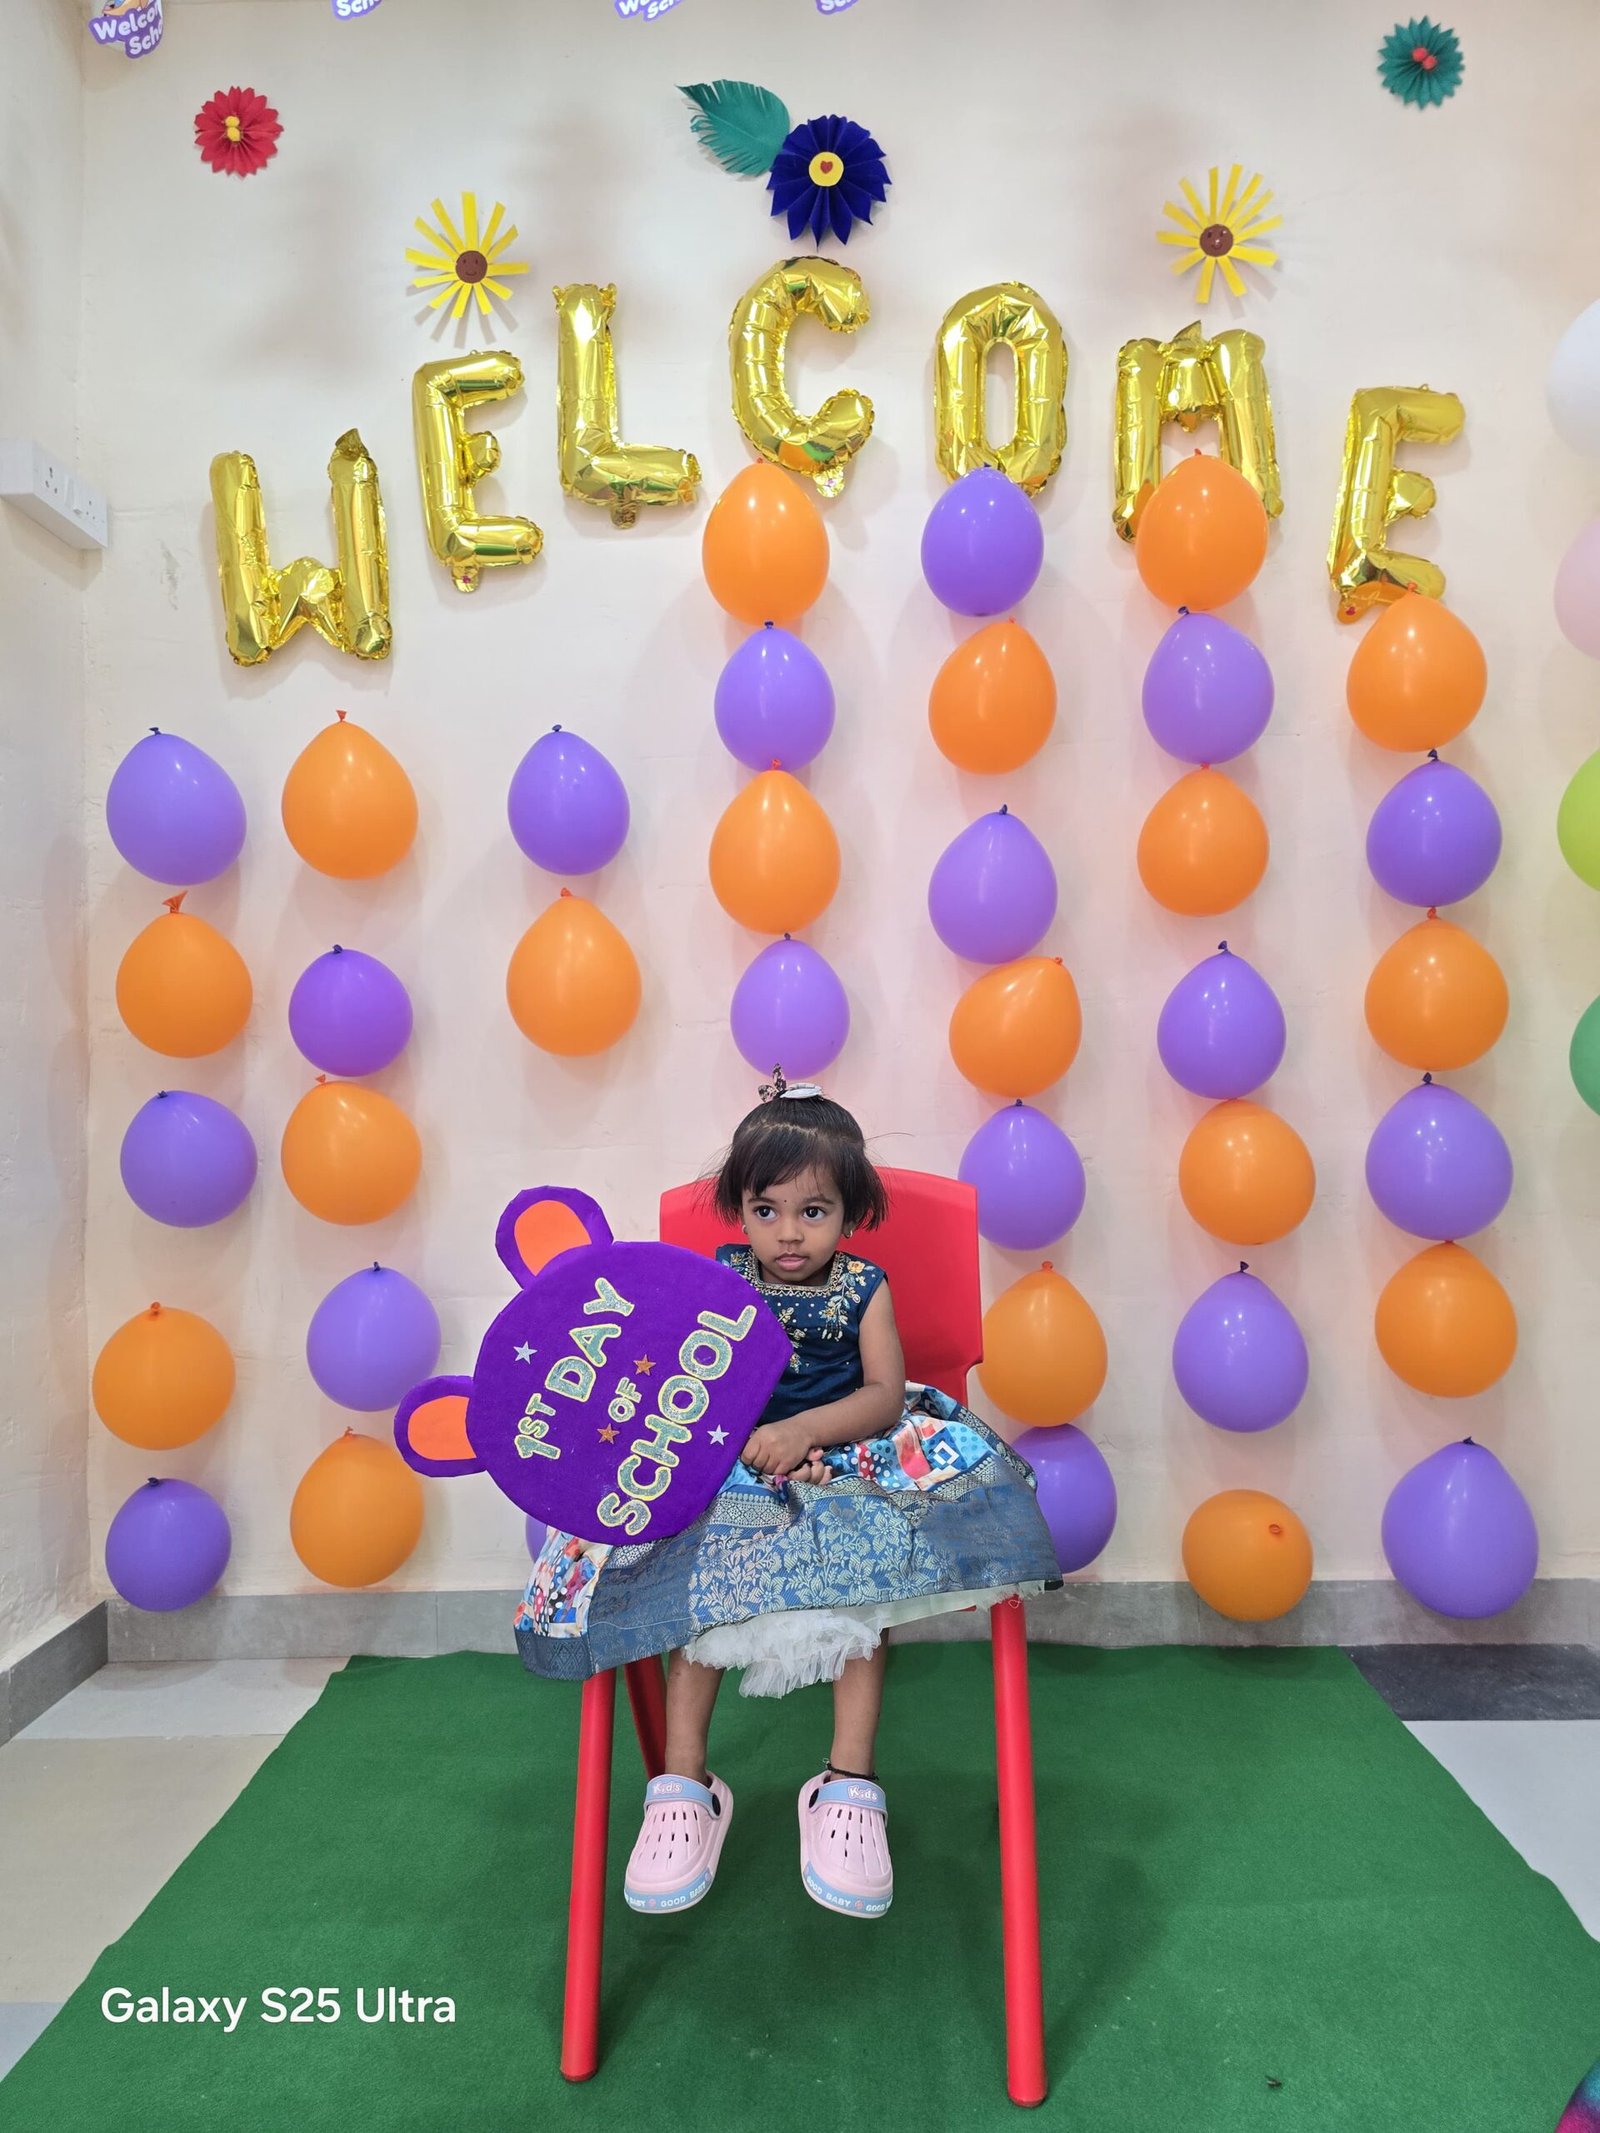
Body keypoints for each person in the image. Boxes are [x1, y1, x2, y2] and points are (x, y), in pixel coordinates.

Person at [514, 1075, 1060, 1920]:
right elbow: (681, 1385)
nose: (789, 1232)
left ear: (851, 1212)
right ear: (739, 1209)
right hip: (731, 1458)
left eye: (814, 1210)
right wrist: (730, 1443)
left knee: (867, 1581)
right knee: (686, 1579)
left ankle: (847, 1781)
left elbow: (884, 1394)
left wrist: (807, 1432)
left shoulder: (864, 1287)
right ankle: (684, 1783)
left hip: (842, 1452)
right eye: (765, 1210)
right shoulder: (721, 1278)